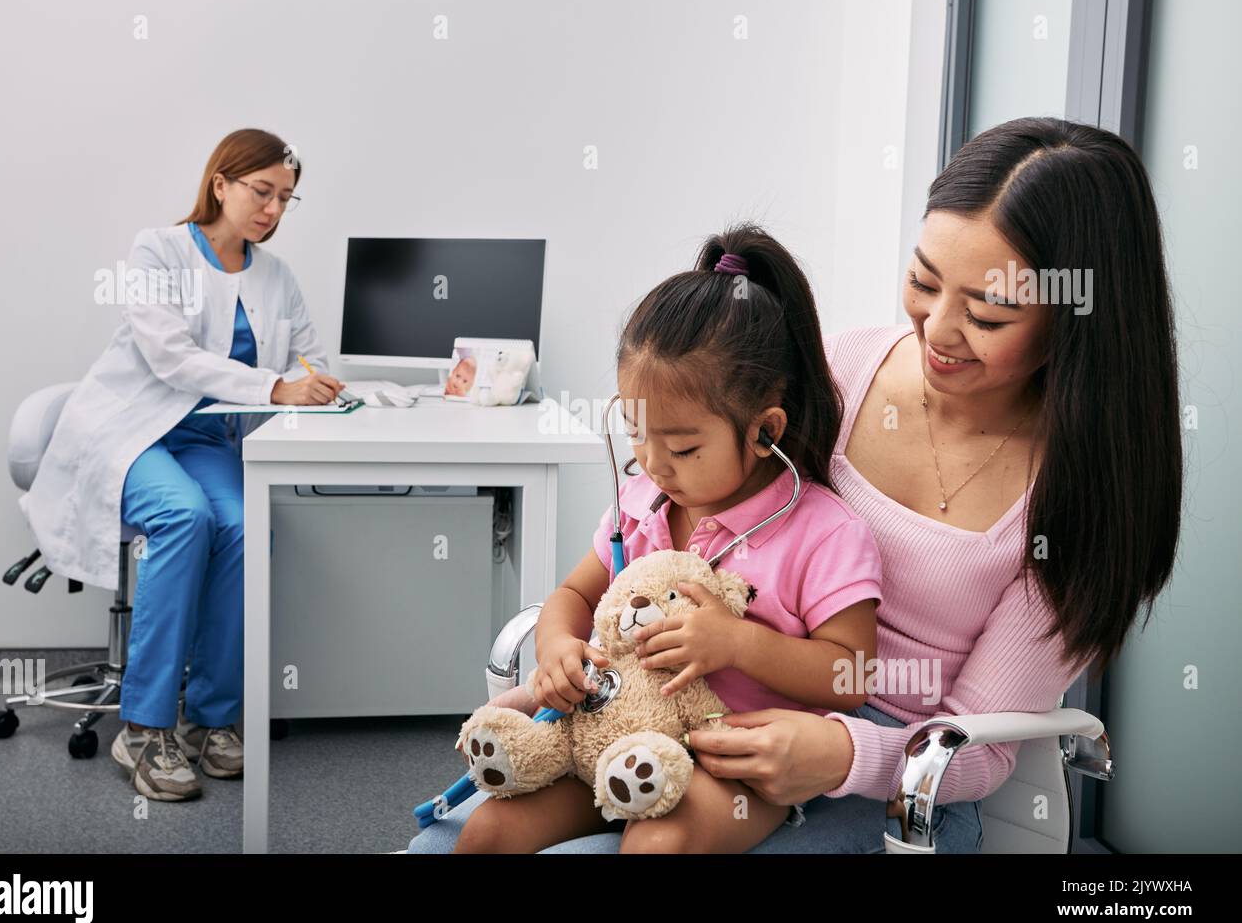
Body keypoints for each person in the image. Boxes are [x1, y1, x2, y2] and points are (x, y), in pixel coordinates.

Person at [409, 116, 1182, 852]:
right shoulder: (840, 369)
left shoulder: (1078, 503)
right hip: (695, 694)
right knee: (465, 836)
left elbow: (973, 748)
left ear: (1078, 314)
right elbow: (701, 513)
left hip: (892, 768)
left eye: (987, 312)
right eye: (923, 280)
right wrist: (574, 653)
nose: (938, 329)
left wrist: (840, 752)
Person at [419, 223, 885, 853]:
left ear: (763, 430)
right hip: (614, 734)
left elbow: (852, 675)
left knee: (657, 843)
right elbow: (574, 596)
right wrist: (558, 648)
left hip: (730, 762)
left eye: (684, 446)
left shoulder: (825, 534)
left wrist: (737, 643)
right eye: (638, 434)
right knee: (491, 830)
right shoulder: (643, 501)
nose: (655, 463)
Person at [19, 129, 347, 802]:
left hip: (201, 440)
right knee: (184, 514)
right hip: (130, 433)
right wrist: (275, 387)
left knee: (248, 526)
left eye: (285, 197)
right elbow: (170, 358)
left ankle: (211, 719)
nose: (272, 209)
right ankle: (142, 725)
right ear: (220, 182)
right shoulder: (158, 250)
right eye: (261, 191)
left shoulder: (276, 276)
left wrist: (323, 382)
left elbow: (305, 355)